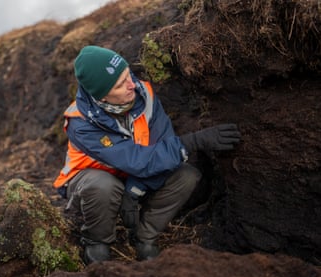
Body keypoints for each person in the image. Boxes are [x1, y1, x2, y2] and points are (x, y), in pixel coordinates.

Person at [53, 45, 240, 264]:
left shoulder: (144, 95)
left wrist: (133, 190)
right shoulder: (81, 123)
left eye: (128, 74)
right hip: (89, 181)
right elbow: (136, 160)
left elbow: (163, 147)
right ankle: (97, 241)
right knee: (103, 185)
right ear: (101, 96)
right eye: (120, 84)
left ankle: (144, 238)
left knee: (186, 175)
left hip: (131, 173)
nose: (132, 84)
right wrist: (195, 141)